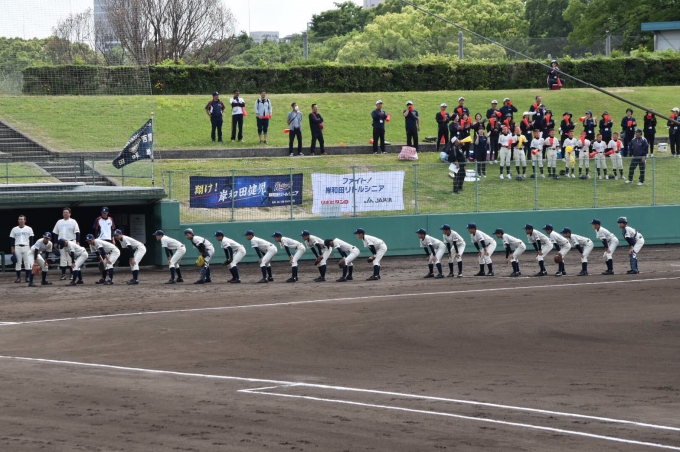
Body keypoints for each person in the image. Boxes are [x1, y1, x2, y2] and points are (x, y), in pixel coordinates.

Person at [52, 207, 80, 281]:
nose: (65, 213)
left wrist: (77, 241)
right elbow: (55, 233)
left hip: (71, 242)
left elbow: (77, 232)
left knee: (71, 259)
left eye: (66, 212)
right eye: (64, 212)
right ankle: (63, 275)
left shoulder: (73, 221)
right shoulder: (59, 222)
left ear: (70, 213)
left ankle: (72, 274)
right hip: (61, 243)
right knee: (63, 259)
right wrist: (55, 242)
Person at [9, 214, 34, 286]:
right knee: (18, 263)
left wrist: (31, 248)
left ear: (25, 220)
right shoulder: (14, 229)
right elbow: (12, 239)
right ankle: (18, 278)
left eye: (22, 219)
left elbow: (31, 239)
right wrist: (12, 248)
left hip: (27, 246)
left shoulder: (29, 229)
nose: (20, 220)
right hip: (17, 246)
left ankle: (27, 277)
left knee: (27, 263)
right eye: (19, 219)